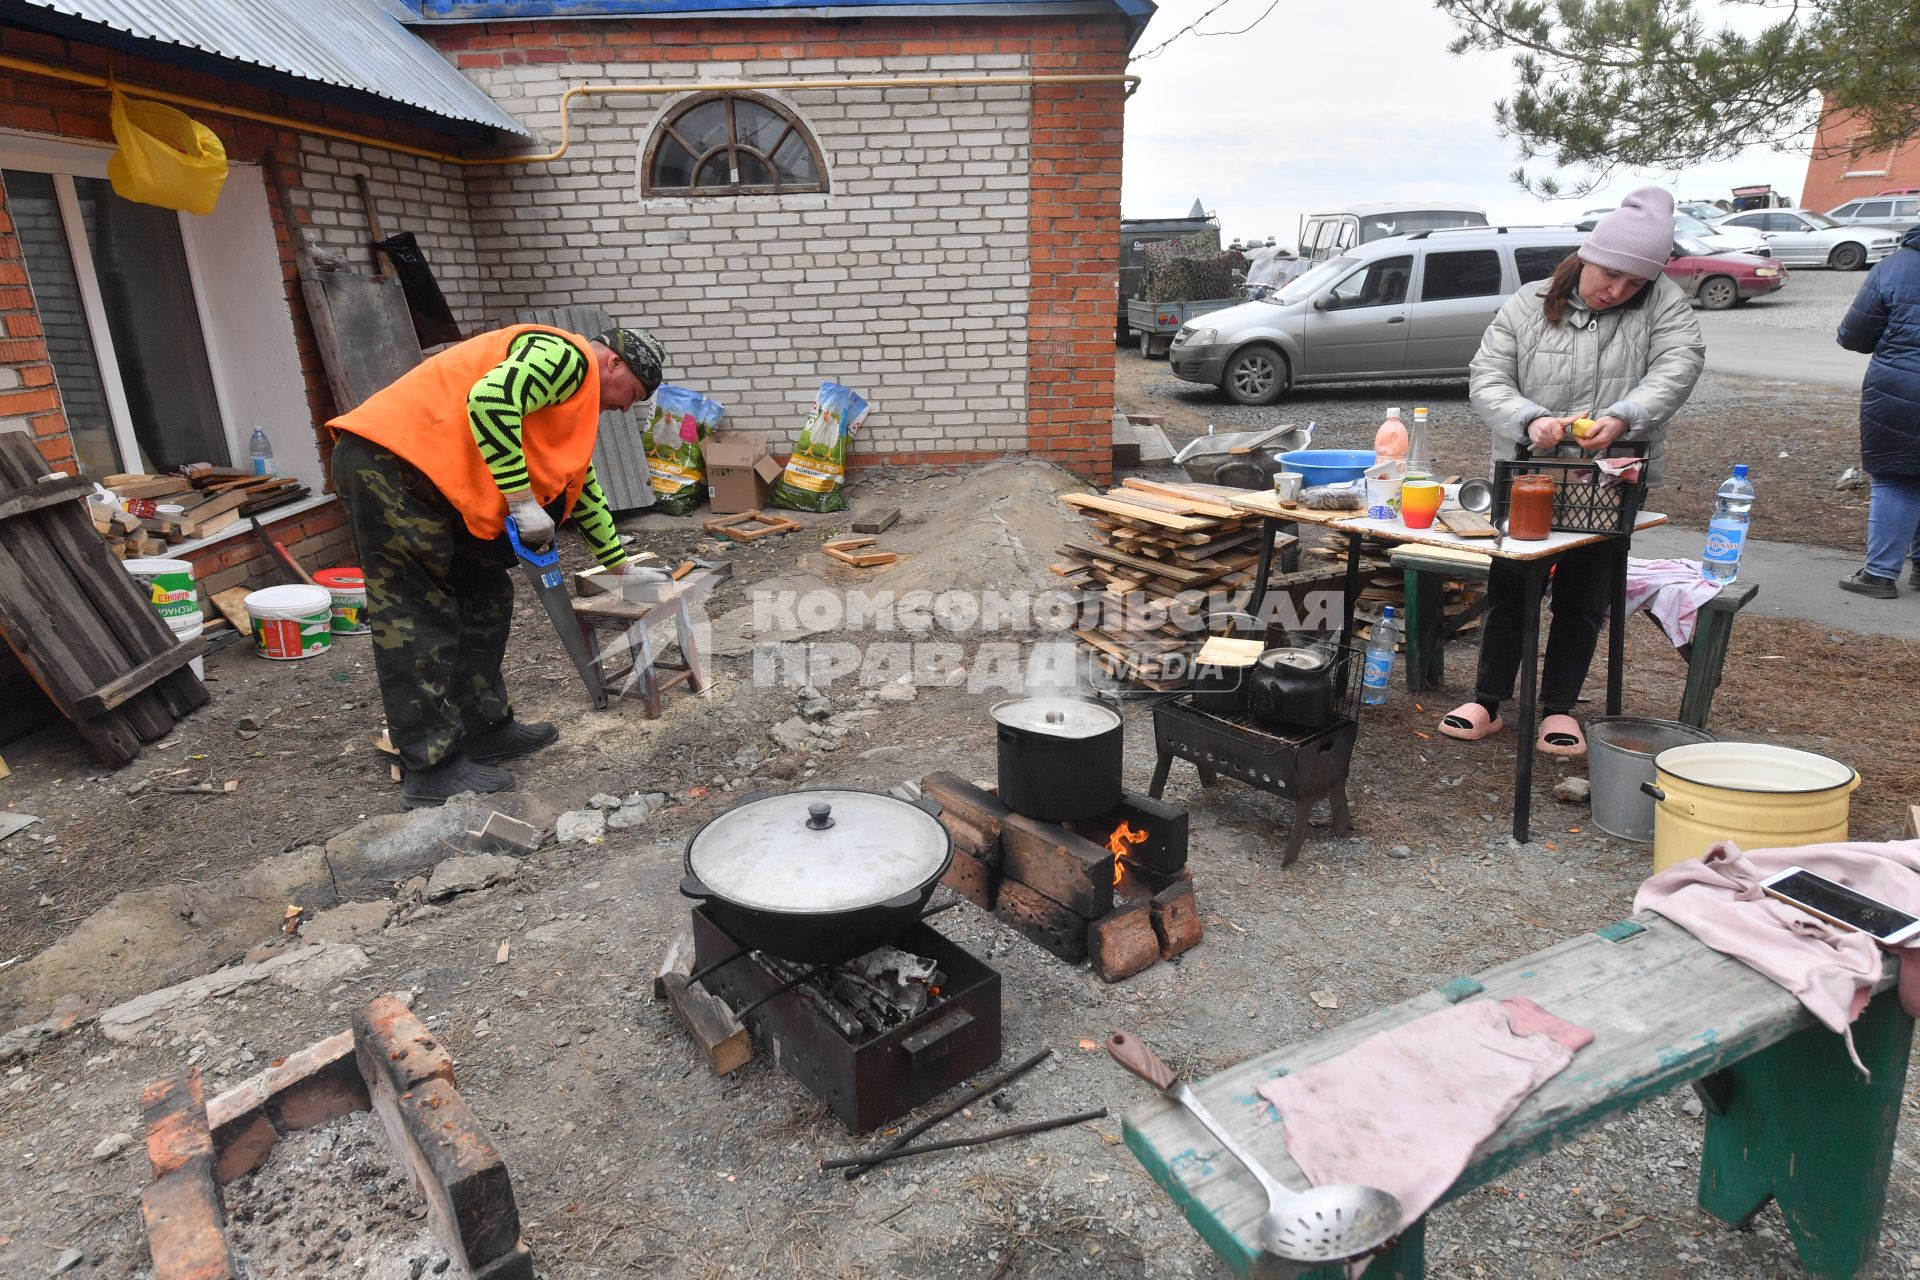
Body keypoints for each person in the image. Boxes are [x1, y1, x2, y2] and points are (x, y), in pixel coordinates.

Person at [330, 324, 666, 807]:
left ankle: (486, 728)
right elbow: (490, 400)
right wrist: (521, 500)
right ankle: (431, 768)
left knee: (486, 595)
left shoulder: (568, 406)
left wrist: (617, 566)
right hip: (389, 464)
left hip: (431, 483)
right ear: (613, 363)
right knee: (415, 615)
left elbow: (579, 482)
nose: (624, 407)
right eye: (630, 393)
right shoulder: (567, 359)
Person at [1439, 188, 1705, 757]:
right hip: (1531, 475)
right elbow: (1487, 376)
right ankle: (1486, 701)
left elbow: (1679, 365)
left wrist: (1624, 416)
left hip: (1613, 478)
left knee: (1583, 599)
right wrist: (1528, 419)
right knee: (1513, 590)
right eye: (1610, 275)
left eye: (1635, 284)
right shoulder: (1527, 303)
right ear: (1585, 256)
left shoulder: (1664, 304)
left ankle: (1559, 710)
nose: (1618, 291)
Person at [1835, 225, 1920, 599]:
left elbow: (1853, 336)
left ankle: (1880, 574)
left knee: (1895, 476)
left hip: (1898, 388)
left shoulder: (1894, 266)